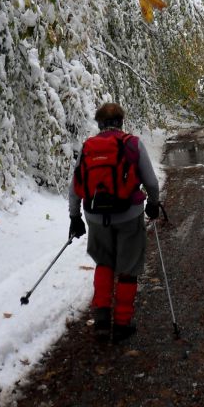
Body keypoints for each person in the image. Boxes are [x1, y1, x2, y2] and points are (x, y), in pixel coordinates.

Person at [68, 103, 160, 343]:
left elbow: (75, 187)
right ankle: (121, 324)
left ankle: (100, 321)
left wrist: (74, 217)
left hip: (96, 217)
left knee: (104, 263)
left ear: (99, 123)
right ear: (121, 121)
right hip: (129, 214)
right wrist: (153, 204)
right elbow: (151, 181)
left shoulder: (88, 146)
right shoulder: (132, 143)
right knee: (128, 269)